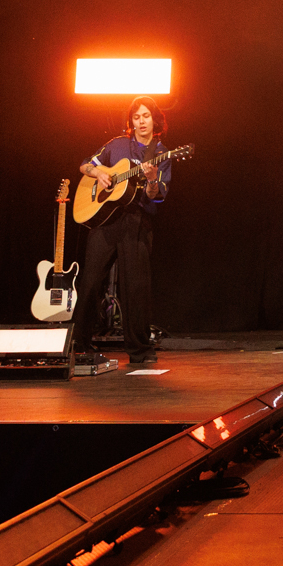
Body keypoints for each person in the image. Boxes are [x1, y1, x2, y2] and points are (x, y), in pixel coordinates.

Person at [74, 96, 171, 365]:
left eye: (146, 116)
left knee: (135, 287)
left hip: (136, 221)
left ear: (155, 120)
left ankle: (139, 350)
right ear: (131, 121)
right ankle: (79, 345)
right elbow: (85, 164)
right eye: (136, 117)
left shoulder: (160, 153)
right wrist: (99, 173)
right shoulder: (116, 144)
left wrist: (151, 180)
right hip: (105, 221)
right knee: (90, 282)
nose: (141, 121)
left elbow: (155, 196)